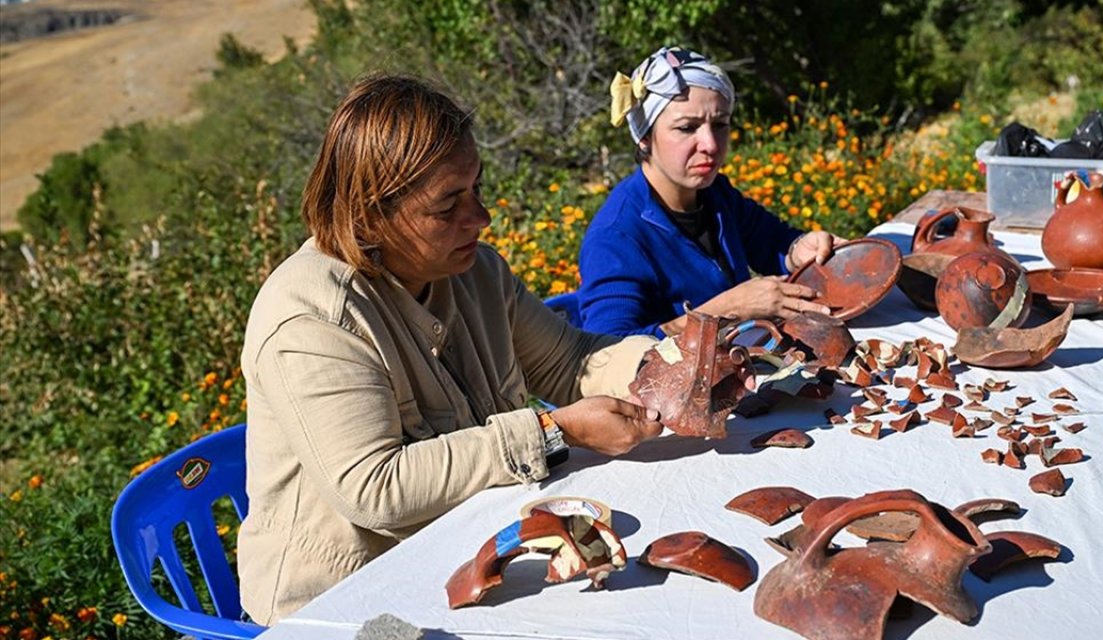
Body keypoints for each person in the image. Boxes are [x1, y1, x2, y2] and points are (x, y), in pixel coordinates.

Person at [237, 74, 663, 624]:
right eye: (447, 206)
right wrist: (555, 431)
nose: (481, 218)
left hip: (462, 554)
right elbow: (375, 488)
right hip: (343, 604)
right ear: (370, 216)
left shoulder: (475, 273)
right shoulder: (313, 318)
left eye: (477, 189)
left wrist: (666, 370)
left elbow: (568, 361)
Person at [577, 46, 844, 338]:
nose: (711, 145)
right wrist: (726, 311)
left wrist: (798, 248)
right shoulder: (616, 236)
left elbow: (769, 242)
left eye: (720, 125)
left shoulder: (714, 194)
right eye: (686, 128)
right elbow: (608, 350)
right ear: (644, 137)